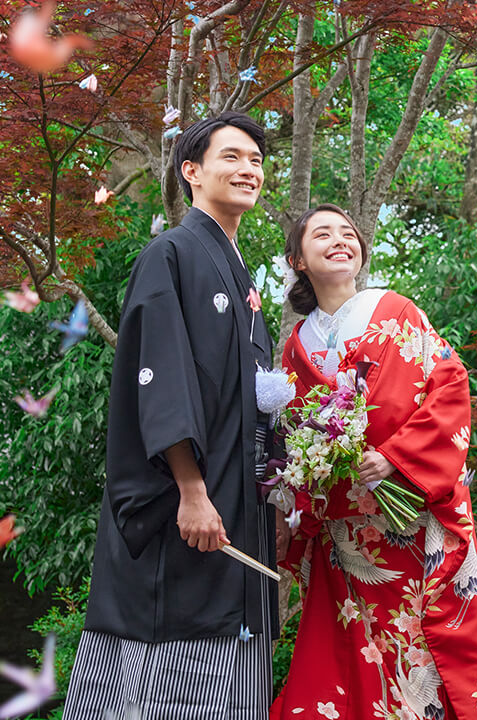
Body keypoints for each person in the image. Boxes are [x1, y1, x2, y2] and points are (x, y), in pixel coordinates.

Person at [63, 112, 278, 719]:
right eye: (232, 157)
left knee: (228, 677)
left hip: (234, 510)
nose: (248, 170)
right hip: (184, 509)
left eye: (257, 161)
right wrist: (189, 488)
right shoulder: (173, 252)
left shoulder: (240, 278)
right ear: (192, 171)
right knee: (163, 684)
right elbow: (159, 377)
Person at [269, 204, 477, 719]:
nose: (339, 241)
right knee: (349, 654)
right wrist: (296, 504)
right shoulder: (294, 348)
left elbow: (449, 386)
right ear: (297, 260)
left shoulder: (396, 312)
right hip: (344, 537)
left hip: (410, 520)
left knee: (416, 648)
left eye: (348, 234)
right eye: (322, 234)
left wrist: (395, 458)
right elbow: (291, 441)